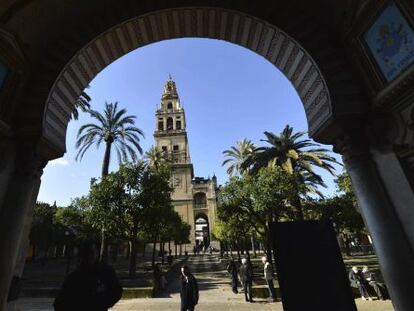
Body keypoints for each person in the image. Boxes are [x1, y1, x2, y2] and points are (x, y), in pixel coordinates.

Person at [54, 242, 123, 311]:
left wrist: (102, 303)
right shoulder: (75, 277)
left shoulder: (105, 272)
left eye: (91, 254)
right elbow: (60, 302)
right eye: (87, 255)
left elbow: (116, 290)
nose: (89, 258)